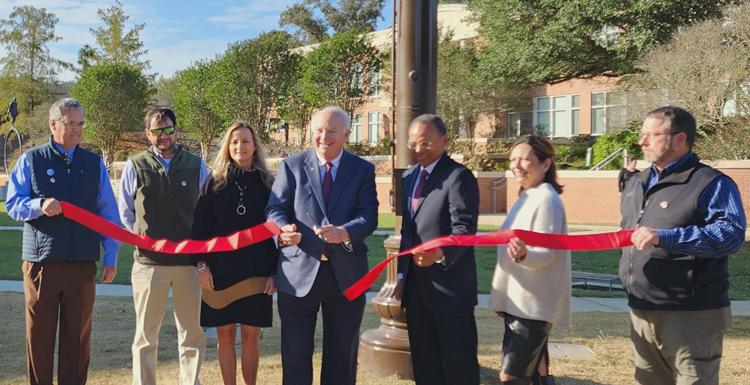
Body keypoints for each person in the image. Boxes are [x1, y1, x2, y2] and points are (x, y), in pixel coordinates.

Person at [621, 106, 746, 385]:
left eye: (652, 135)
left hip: (691, 313)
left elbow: (730, 235)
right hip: (642, 307)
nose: (642, 142)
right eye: (642, 135)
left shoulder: (710, 183)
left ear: (680, 139)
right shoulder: (638, 182)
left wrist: (667, 237)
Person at [5, 97, 121, 385]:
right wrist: (39, 204)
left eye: (81, 124)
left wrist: (111, 256)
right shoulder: (31, 160)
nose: (78, 130)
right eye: (72, 124)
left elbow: (108, 212)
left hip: (82, 266)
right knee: (39, 340)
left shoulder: (94, 164)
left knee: (77, 343)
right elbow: (13, 204)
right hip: (41, 265)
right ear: (53, 124)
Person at [266, 106, 378, 385]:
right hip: (298, 273)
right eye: (318, 130)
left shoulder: (362, 170)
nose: (323, 137)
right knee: (295, 354)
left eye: (331, 131)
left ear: (346, 134)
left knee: (342, 354)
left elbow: (369, 216)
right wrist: (283, 229)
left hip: (346, 275)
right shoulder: (292, 166)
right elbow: (274, 209)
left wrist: (344, 232)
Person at [118, 107, 209, 385]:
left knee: (191, 334)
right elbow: (125, 213)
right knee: (146, 336)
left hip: (188, 265)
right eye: (157, 131)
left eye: (168, 129)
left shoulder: (196, 165)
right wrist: (142, 236)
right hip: (149, 266)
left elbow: (207, 210)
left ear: (176, 130)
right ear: (148, 134)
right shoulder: (135, 165)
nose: (163, 135)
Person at [395, 114, 480, 385]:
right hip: (416, 290)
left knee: (458, 365)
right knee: (424, 363)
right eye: (414, 143)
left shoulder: (459, 177)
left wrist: (440, 254)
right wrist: (400, 277)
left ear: (444, 140)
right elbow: (407, 233)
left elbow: (464, 230)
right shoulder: (408, 178)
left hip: (450, 291)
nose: (418, 150)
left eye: (426, 143)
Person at [191, 121, 278, 385]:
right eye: (234, 141)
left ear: (255, 146)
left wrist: (275, 273)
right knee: (225, 335)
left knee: (252, 335)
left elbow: (276, 229)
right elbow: (199, 230)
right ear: (228, 146)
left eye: (245, 141)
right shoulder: (213, 182)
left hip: (257, 272)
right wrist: (201, 266)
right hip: (219, 272)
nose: (240, 146)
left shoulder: (268, 183)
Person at [488, 135, 570, 385]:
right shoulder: (527, 195)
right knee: (536, 373)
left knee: (511, 376)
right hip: (520, 303)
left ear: (546, 164)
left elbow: (547, 253)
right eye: (513, 159)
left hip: (533, 307)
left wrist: (524, 254)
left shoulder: (546, 199)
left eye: (525, 159)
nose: (517, 165)